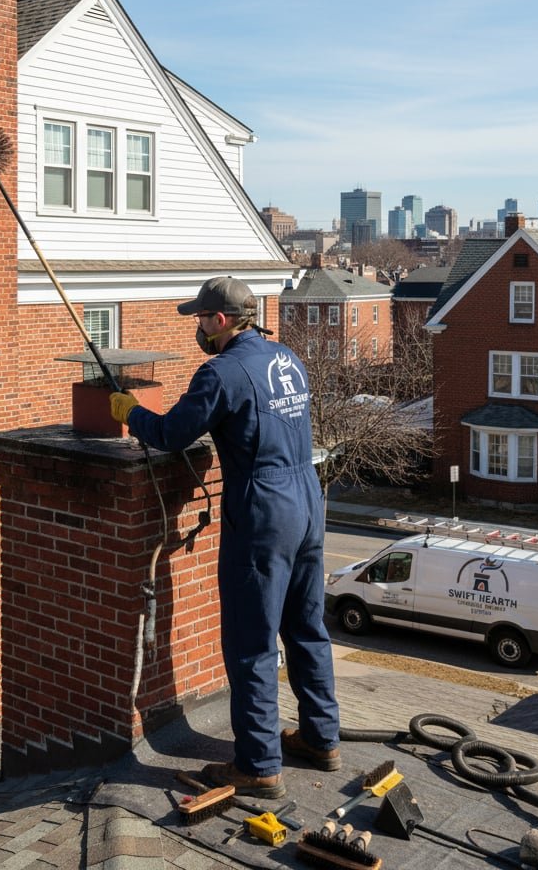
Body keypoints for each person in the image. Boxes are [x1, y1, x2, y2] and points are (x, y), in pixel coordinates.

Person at [110, 276, 340, 799]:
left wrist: (130, 412)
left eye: (200, 319)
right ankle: (321, 737)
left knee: (251, 643)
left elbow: (171, 435)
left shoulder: (221, 371)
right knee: (306, 627)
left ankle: (259, 765)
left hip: (263, 511)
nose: (197, 328)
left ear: (220, 320)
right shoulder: (287, 359)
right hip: (306, 496)